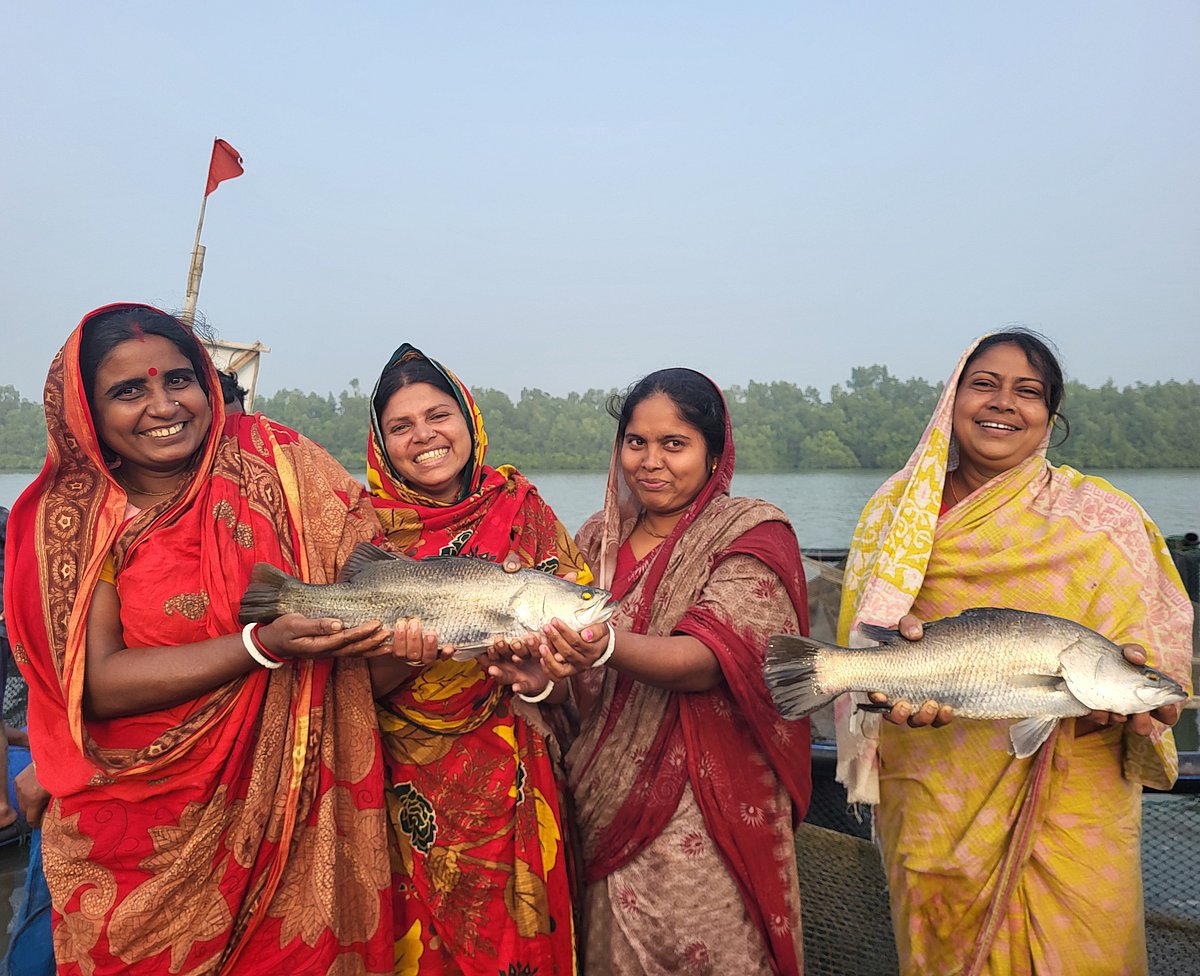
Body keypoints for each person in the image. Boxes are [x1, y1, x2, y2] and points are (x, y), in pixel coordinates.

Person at [4, 303, 397, 974]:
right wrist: (260, 646)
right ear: (87, 411)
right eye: (129, 390)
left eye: (179, 380)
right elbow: (96, 682)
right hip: (136, 834)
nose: (164, 406)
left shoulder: (280, 466)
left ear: (207, 384)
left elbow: (374, 597)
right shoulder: (75, 518)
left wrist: (452, 627)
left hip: (292, 815)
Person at [835, 330, 1193, 975]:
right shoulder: (897, 513)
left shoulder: (1106, 520)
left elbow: (1158, 647)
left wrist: (1141, 699)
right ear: (952, 400)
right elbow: (864, 641)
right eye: (984, 384)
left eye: (1027, 391)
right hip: (934, 785)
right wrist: (888, 671)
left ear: (1051, 417)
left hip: (1075, 796)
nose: (1003, 402)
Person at [519, 368, 812, 974]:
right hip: (603, 799)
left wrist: (604, 644)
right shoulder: (595, 541)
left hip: (704, 808)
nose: (650, 462)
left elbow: (709, 658)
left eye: (674, 444)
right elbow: (578, 687)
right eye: (636, 442)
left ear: (714, 453)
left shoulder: (752, 533)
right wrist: (543, 678)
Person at [365, 343, 587, 974]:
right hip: (402, 780)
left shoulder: (524, 510)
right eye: (401, 426)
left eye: (439, 415)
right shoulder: (361, 529)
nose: (424, 436)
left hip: (515, 771)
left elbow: (575, 672)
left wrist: (540, 680)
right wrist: (411, 657)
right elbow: (347, 685)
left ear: (469, 418)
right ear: (380, 444)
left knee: (518, 940)